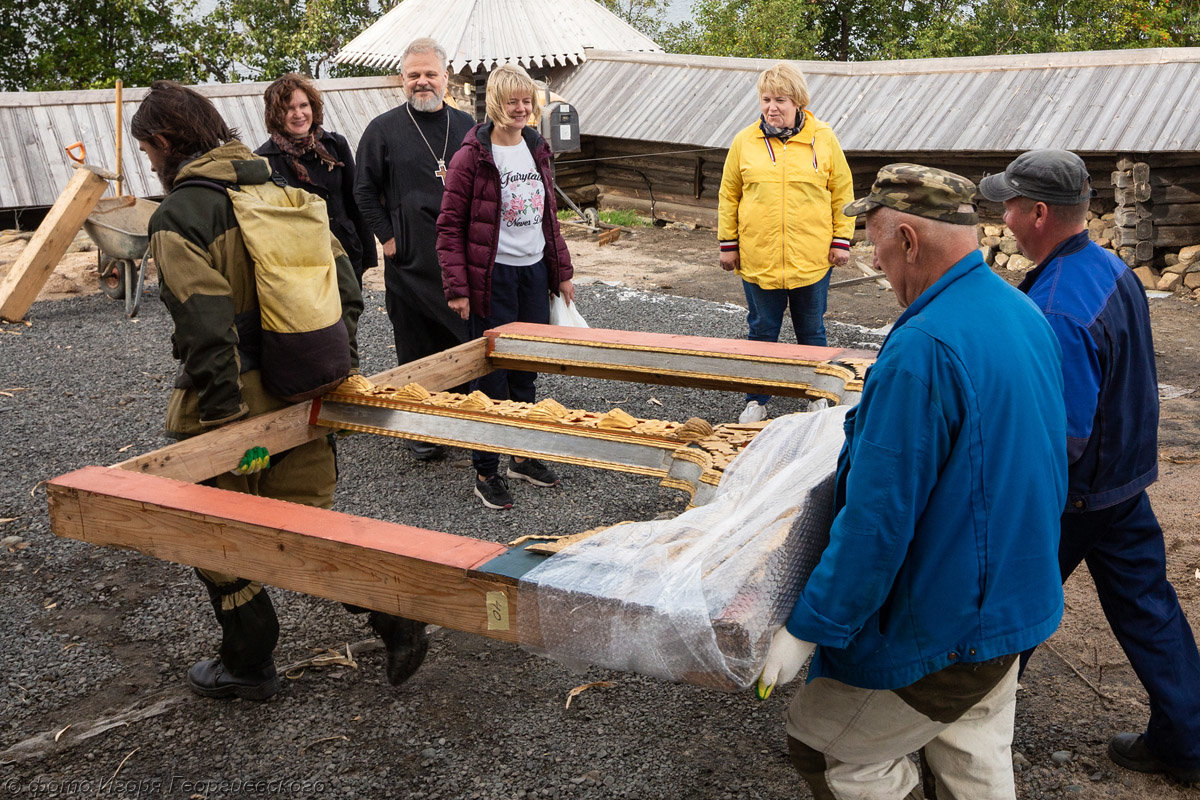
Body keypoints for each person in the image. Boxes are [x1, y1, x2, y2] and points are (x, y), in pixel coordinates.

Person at [756, 164, 1067, 799]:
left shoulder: (922, 347)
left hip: (951, 619)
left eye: (874, 241)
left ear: (908, 240)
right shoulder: (1021, 310)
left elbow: (877, 522)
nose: (873, 259)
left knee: (830, 748)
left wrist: (810, 625)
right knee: (972, 750)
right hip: (1016, 593)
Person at [131, 81, 428, 699]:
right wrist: (332, 371)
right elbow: (347, 291)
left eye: (147, 152)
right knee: (304, 525)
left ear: (163, 143)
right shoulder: (286, 189)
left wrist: (226, 423)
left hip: (234, 410)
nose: (150, 164)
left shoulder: (180, 214)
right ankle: (394, 613)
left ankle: (248, 659)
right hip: (305, 395)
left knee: (214, 529)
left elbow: (205, 322)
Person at [980, 149, 1200, 785]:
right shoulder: (1110, 266)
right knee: (1149, 609)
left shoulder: (1056, 307)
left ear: (1040, 213)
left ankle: (962, 731)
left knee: (1005, 609)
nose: (1006, 216)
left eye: (1012, 206)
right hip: (1125, 481)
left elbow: (1062, 436)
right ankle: (1189, 743)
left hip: (1077, 493)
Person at [436, 63, 574, 511]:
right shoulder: (471, 156)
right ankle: (486, 470)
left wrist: (562, 272)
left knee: (526, 369)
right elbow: (450, 226)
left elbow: (549, 216)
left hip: (532, 273)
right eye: (512, 100)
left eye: (526, 100)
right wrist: (457, 287)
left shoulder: (536, 147)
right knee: (491, 377)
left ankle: (522, 456)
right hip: (491, 278)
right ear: (495, 102)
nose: (521, 108)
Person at [354, 37, 476, 461]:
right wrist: (388, 238)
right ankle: (421, 430)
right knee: (416, 343)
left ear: (446, 78)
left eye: (430, 74)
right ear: (402, 81)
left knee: (462, 339)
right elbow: (363, 189)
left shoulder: (467, 127)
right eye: (413, 75)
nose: (421, 82)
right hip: (408, 259)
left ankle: (460, 420)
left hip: (458, 258)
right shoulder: (382, 129)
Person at [717, 62, 855, 424]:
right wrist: (727, 243)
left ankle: (818, 396)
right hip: (758, 256)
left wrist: (842, 239)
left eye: (780, 99)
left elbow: (842, 192)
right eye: (766, 99)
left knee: (812, 329)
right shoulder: (745, 141)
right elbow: (729, 194)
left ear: (798, 102)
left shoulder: (823, 138)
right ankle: (756, 401)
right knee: (762, 330)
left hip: (811, 257)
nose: (771, 107)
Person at [255, 73, 376, 286]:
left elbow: (354, 200)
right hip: (300, 262)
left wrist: (366, 255)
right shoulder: (264, 159)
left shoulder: (335, 145)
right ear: (275, 114)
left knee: (348, 317)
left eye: (304, 105)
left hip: (345, 253)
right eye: (289, 108)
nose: (298, 114)